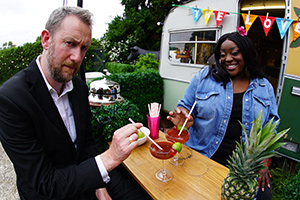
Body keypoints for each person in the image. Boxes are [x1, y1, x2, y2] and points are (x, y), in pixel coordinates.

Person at [0, 6, 151, 200]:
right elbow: (45, 182)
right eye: (70, 43)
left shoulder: (78, 87)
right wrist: (110, 158)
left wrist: (100, 185)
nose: (77, 57)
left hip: (88, 175)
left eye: (83, 48)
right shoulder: (11, 99)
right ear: (46, 39)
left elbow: (86, 142)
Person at [167, 30, 278, 200]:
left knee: (264, 196)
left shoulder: (264, 86)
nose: (227, 59)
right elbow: (185, 106)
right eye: (222, 54)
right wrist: (183, 117)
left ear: (246, 53)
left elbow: (272, 126)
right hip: (203, 155)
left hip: (245, 168)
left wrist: (263, 162)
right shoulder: (204, 78)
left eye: (234, 53)